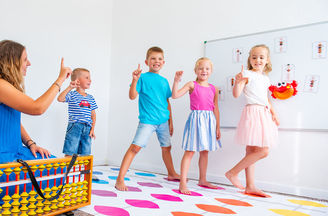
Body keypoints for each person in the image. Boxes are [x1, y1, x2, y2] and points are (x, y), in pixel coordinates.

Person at [0, 40, 72, 205]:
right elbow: (37, 108)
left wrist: (30, 143)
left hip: (9, 152)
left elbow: (11, 120)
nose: (28, 63)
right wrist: (60, 80)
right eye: (25, 59)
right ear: (12, 62)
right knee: (55, 175)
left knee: (52, 163)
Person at [115, 46, 180, 191]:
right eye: (153, 59)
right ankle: (120, 179)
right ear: (147, 61)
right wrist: (134, 80)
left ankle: (171, 173)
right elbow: (132, 96)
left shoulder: (164, 81)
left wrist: (171, 122)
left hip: (163, 121)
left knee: (167, 148)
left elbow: (167, 102)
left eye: (159, 59)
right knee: (135, 148)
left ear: (163, 62)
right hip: (147, 121)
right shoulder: (142, 78)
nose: (156, 61)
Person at [225, 44, 279, 197]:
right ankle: (232, 172)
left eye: (261, 57)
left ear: (267, 60)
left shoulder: (265, 78)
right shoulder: (246, 73)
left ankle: (250, 186)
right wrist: (238, 81)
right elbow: (236, 94)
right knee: (263, 151)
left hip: (263, 113)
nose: (258, 60)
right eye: (254, 57)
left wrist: (273, 112)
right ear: (250, 59)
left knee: (252, 151)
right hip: (252, 112)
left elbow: (265, 98)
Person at [172, 57, 222, 194]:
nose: (203, 71)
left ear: (211, 71)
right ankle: (183, 182)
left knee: (205, 151)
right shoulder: (191, 85)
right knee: (190, 151)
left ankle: (203, 179)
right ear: (195, 70)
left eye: (207, 68)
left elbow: (215, 108)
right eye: (201, 68)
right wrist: (176, 81)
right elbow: (175, 95)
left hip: (209, 121)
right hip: (196, 119)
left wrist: (217, 126)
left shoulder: (214, 88)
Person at [57, 68, 97, 156]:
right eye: (87, 77)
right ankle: (67, 170)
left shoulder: (91, 98)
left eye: (90, 77)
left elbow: (93, 115)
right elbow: (60, 99)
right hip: (75, 126)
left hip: (87, 128)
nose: (90, 80)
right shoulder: (72, 94)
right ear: (78, 81)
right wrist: (70, 87)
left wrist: (92, 129)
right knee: (70, 151)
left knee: (86, 153)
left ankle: (85, 170)